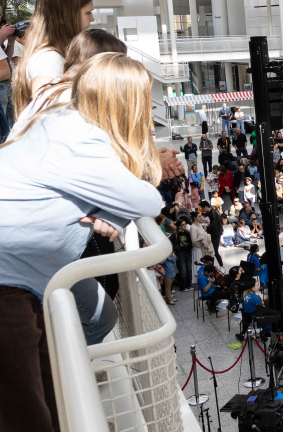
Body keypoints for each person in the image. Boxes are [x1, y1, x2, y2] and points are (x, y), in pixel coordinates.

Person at [0, 52, 162, 432]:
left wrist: (114, 212)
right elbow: (149, 199)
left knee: (47, 386)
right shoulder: (82, 141)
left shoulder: (58, 117)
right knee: (24, 408)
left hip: (23, 281)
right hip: (7, 282)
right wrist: (120, 207)